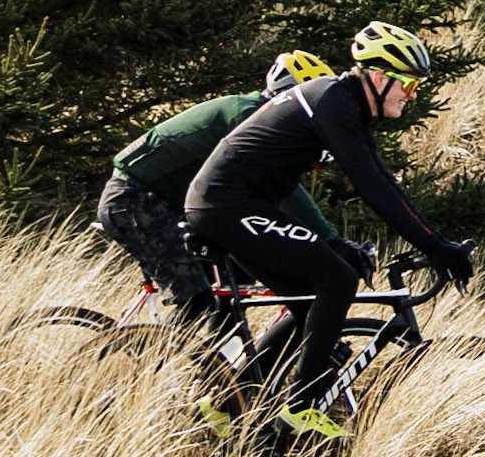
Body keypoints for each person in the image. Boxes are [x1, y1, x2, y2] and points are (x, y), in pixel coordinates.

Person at [180, 20, 476, 420]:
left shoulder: (346, 104)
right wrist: (435, 246)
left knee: (308, 305)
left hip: (230, 203)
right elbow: (373, 189)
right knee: (336, 279)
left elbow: (384, 181)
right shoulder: (333, 101)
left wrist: (435, 241)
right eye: (408, 84)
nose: (412, 95)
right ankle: (302, 408)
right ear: (377, 76)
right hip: (226, 203)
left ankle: (225, 408)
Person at [93, 51, 336, 315]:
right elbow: (289, 192)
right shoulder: (246, 116)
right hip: (135, 202)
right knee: (197, 301)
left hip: (163, 205)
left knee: (237, 279)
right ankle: (166, 354)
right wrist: (330, 240)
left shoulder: (253, 113)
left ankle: (216, 354)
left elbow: (267, 192)